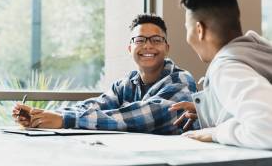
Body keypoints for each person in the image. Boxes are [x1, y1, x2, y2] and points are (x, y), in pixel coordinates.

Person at [13, 14, 197, 134]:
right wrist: (44, 116)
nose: (148, 45)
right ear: (130, 48)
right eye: (140, 40)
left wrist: (64, 119)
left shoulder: (180, 80)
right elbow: (95, 105)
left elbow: (145, 117)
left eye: (156, 40)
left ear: (167, 48)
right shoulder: (126, 84)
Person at [170, 0, 272, 149]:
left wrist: (215, 132)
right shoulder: (258, 52)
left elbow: (267, 128)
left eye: (188, 28)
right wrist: (211, 109)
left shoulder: (225, 67)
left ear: (200, 30)